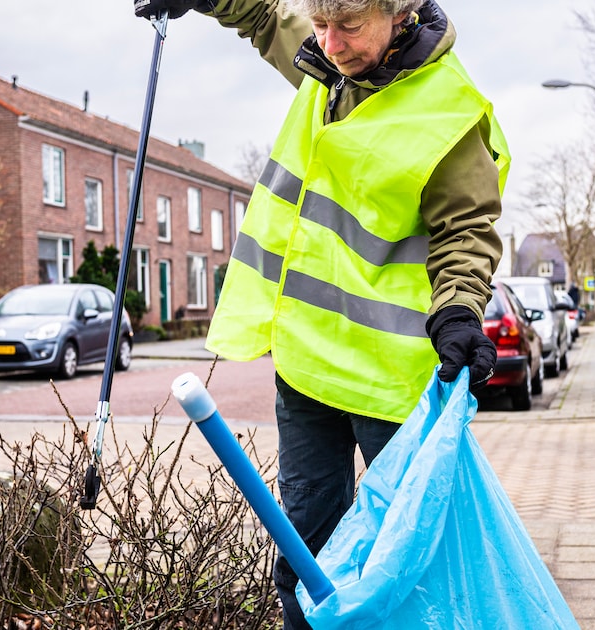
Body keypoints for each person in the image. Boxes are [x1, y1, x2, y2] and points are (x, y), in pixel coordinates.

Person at [131, 0, 510, 626]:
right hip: (307, 364)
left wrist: (459, 312)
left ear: (401, 12)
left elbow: (466, 230)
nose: (330, 44)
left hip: (391, 379)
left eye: (349, 28)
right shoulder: (327, 60)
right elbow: (259, 12)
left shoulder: (448, 110)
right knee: (303, 542)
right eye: (321, 25)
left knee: (402, 554)